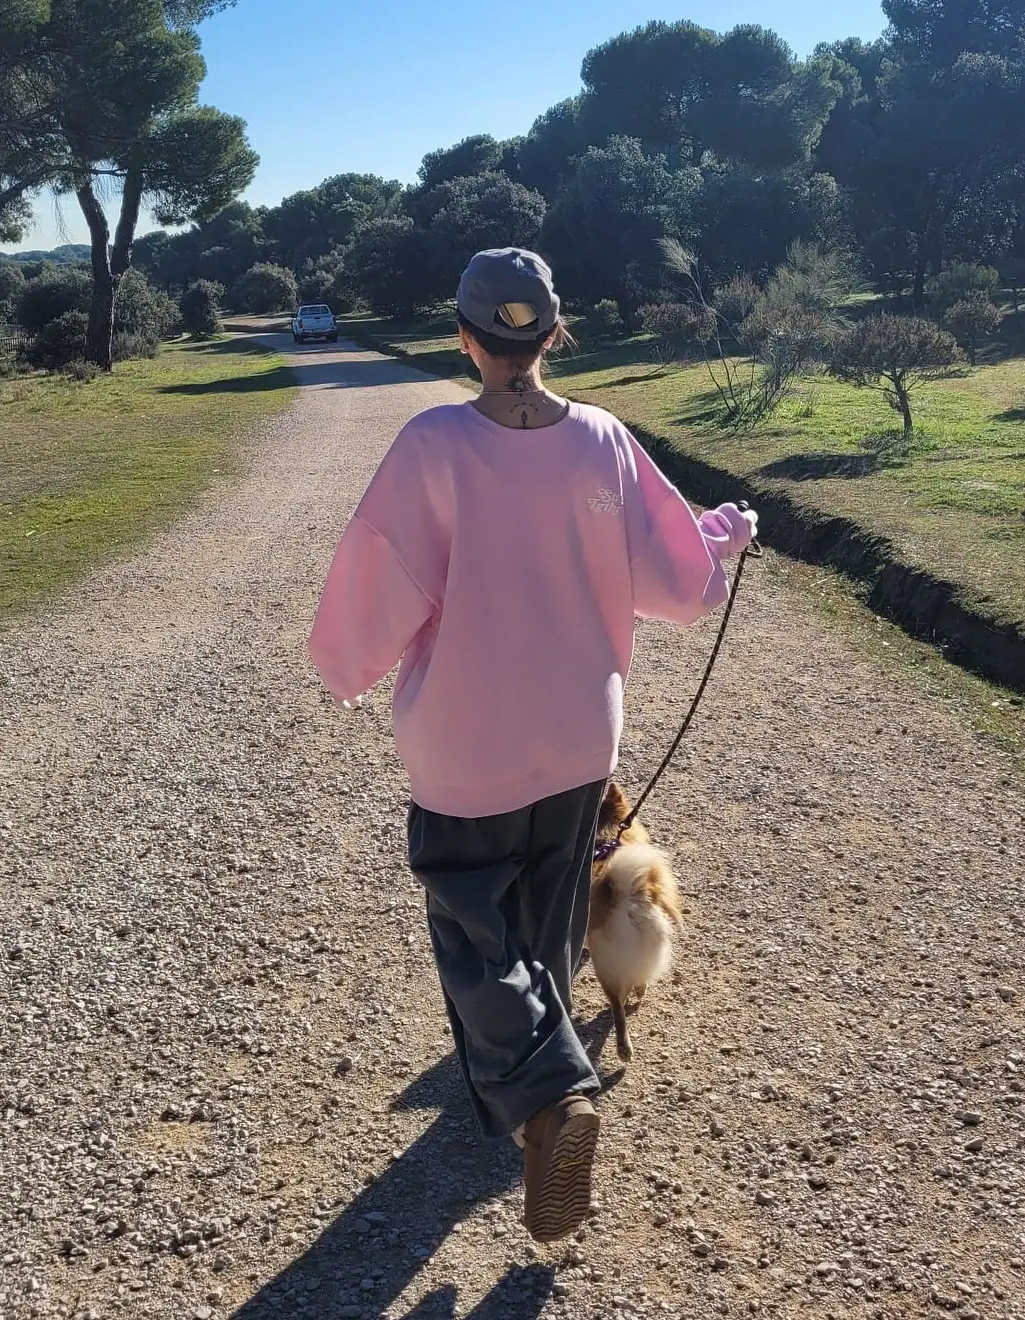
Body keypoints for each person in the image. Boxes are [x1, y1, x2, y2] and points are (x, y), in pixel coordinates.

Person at [307, 247, 757, 1244]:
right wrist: (723, 538)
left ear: (466, 338)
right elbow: (677, 575)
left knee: (476, 938)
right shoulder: (604, 441)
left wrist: (341, 663)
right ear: (553, 334)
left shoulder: (433, 445)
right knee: (548, 931)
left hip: (466, 746)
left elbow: (376, 592)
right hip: (576, 740)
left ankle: (551, 1096)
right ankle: (526, 1111)